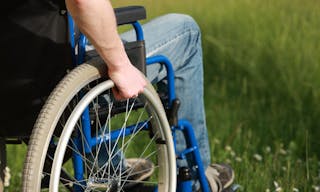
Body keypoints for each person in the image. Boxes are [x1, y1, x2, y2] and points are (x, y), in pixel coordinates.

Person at [2, 0, 235, 191]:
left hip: (10, 98)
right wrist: (120, 64)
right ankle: (193, 179)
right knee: (186, 31)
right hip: (53, 89)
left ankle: (109, 167)